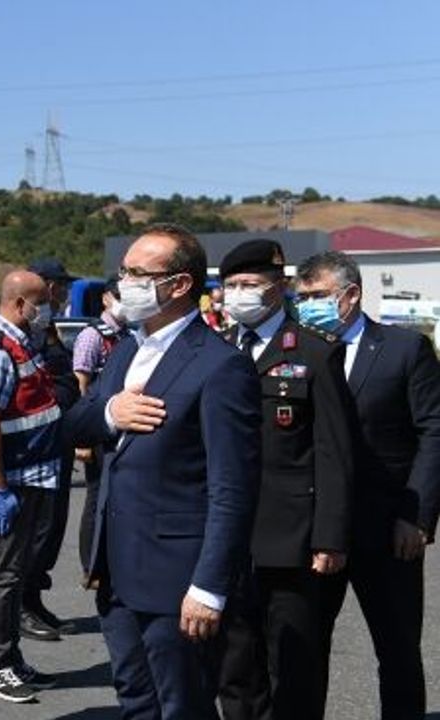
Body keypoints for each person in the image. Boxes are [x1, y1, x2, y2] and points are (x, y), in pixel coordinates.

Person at [66, 223, 261, 719]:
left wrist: (209, 587)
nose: (123, 281)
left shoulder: (220, 366)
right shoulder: (129, 348)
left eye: (136, 272)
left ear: (178, 285)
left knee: (184, 708)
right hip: (117, 574)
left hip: (177, 582)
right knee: (136, 701)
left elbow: (231, 489)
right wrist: (111, 412)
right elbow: (77, 422)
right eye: (123, 270)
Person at [294, 251, 440, 720]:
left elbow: (433, 432)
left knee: (397, 650)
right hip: (315, 531)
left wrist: (416, 516)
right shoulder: (296, 350)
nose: (306, 306)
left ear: (351, 295)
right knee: (306, 651)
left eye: (317, 296)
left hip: (387, 528)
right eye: (301, 298)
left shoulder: (403, 349)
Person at [214, 240, 355, 720]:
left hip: (291, 538)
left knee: (294, 666)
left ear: (278, 289)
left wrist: (329, 537)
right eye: (230, 286)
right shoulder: (215, 351)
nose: (238, 294)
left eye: (249, 285)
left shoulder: (313, 353)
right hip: (228, 536)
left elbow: (334, 452)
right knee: (236, 666)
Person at [0, 269, 63, 704]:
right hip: (13, 483)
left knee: (17, 573)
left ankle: (12, 659)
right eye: (42, 302)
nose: (48, 310)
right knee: (4, 576)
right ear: (20, 304)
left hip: (34, 476)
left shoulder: (21, 342)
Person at [22, 258, 82, 640]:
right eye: (57, 285)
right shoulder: (22, 335)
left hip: (56, 444)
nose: (62, 292)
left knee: (52, 529)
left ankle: (34, 596)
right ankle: (21, 606)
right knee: (36, 532)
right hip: (35, 450)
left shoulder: (48, 330)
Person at [70, 275, 128, 582]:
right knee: (95, 497)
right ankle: (89, 566)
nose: (124, 301)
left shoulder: (126, 333)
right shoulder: (93, 335)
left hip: (119, 425)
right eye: (119, 295)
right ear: (106, 298)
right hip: (96, 426)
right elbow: (81, 383)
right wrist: (82, 436)